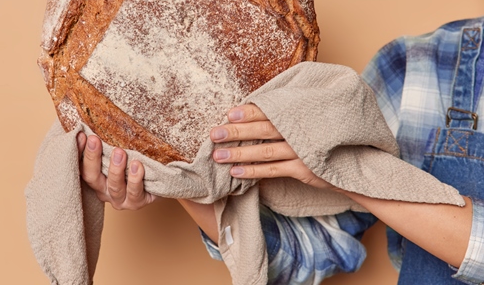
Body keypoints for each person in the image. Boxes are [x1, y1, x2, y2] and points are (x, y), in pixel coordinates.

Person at [77, 16, 484, 284]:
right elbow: (301, 254)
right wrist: (180, 171)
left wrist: (347, 171)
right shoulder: (416, 64)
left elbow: (346, 173)